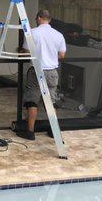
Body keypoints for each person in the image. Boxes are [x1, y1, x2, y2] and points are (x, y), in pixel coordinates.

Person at [21, 9, 66, 141]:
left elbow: (26, 52)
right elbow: (62, 55)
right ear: (49, 19)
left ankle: (30, 132)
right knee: (51, 102)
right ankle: (53, 131)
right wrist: (51, 56)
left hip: (37, 71)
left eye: (37, 19)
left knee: (32, 101)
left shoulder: (32, 33)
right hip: (52, 72)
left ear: (39, 18)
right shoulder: (58, 35)